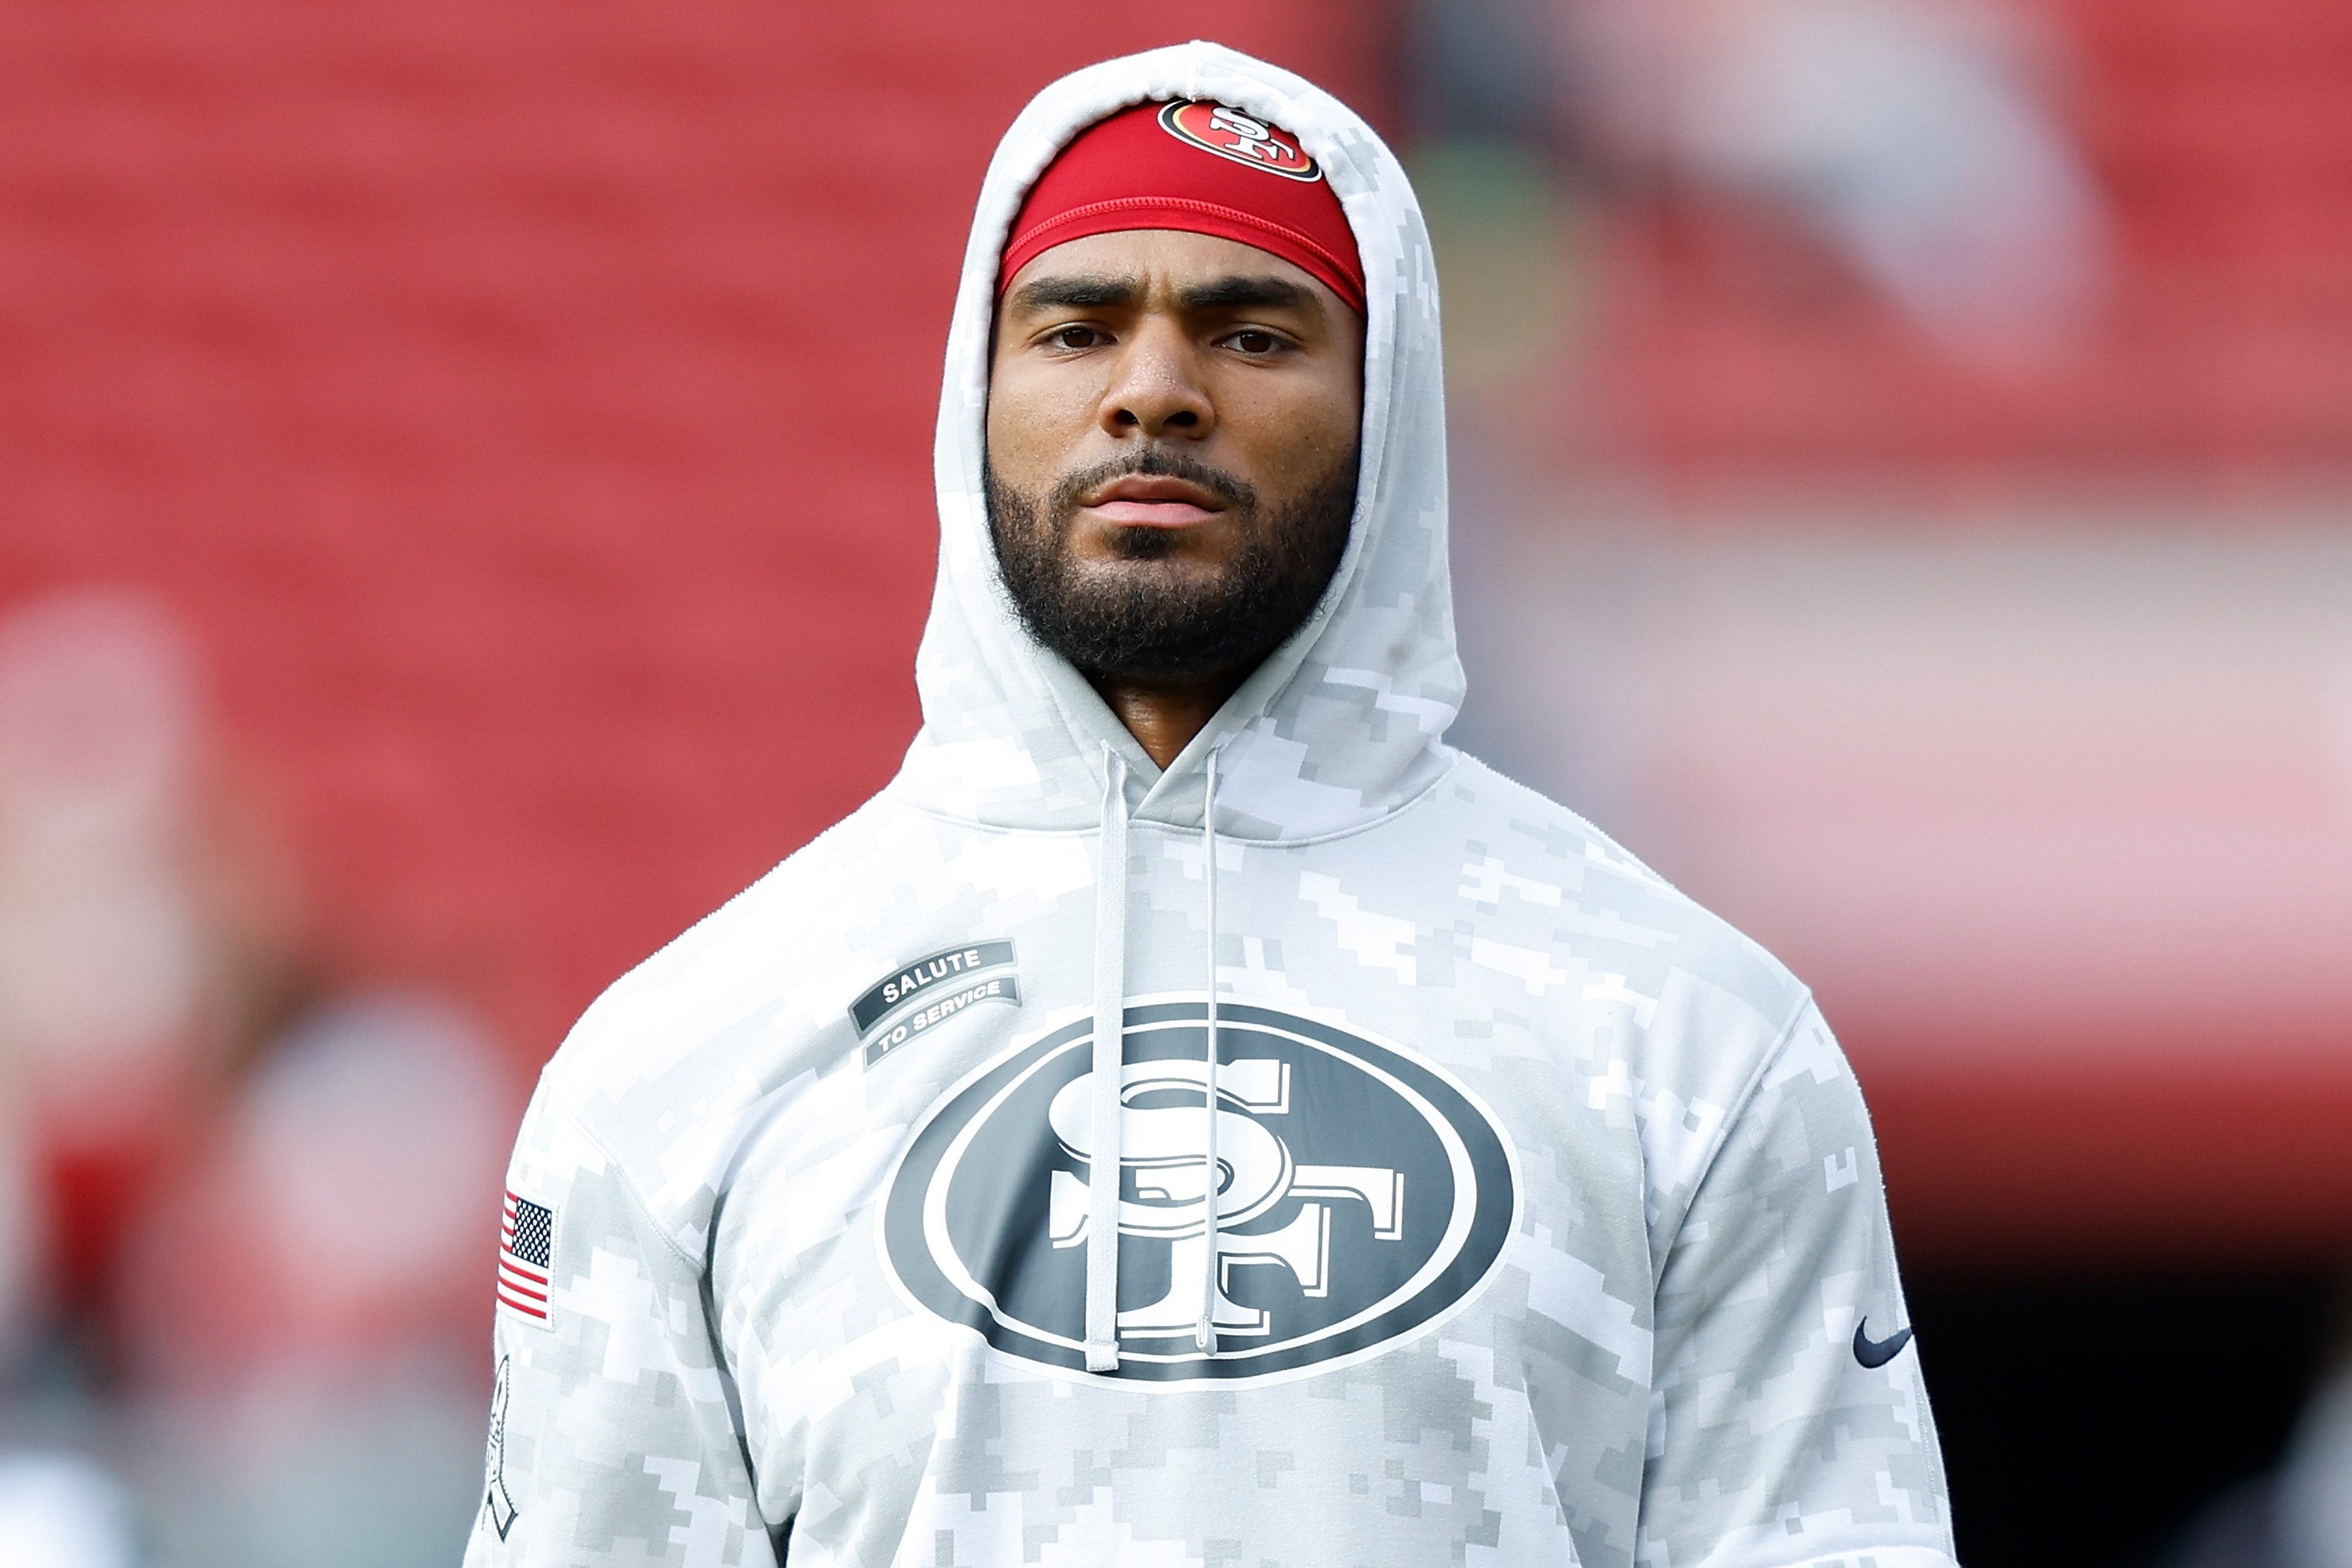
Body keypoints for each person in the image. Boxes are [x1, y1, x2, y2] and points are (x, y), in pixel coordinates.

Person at [465, 42, 1955, 1568]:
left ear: (1389, 416)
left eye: (1250, 332)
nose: (1154, 392)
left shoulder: (1689, 1037)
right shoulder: (688, 1064)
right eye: (1077, 327)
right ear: (976, 392)